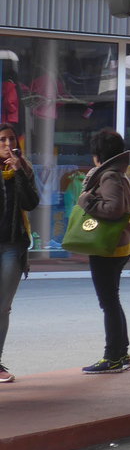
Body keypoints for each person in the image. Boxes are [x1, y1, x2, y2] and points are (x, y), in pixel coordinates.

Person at [79, 128, 130, 374]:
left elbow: (113, 209)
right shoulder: (120, 173)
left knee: (109, 303)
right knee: (112, 300)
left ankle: (112, 356)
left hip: (107, 247)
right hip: (118, 245)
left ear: (98, 154)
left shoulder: (109, 176)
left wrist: (87, 201)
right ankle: (121, 353)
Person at [0, 123, 39, 383]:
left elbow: (31, 203)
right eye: (2, 139)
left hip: (12, 247)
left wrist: (19, 172)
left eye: (10, 139)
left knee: (2, 307)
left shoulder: (23, 168)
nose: (6, 144)